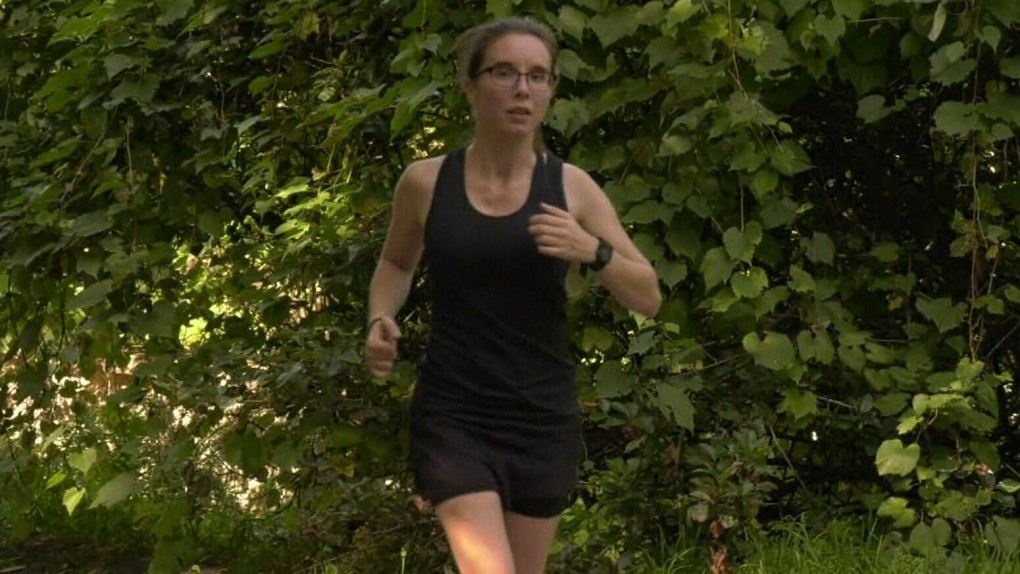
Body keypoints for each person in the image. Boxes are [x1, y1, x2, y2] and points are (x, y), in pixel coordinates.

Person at [363, 16, 661, 574]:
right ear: (471, 86)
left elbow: (648, 297)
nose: (522, 89)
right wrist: (380, 316)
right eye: (504, 73)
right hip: (454, 414)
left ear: (550, 91)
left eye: (537, 76)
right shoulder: (426, 182)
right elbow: (396, 263)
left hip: (540, 417)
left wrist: (591, 249)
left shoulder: (570, 188)